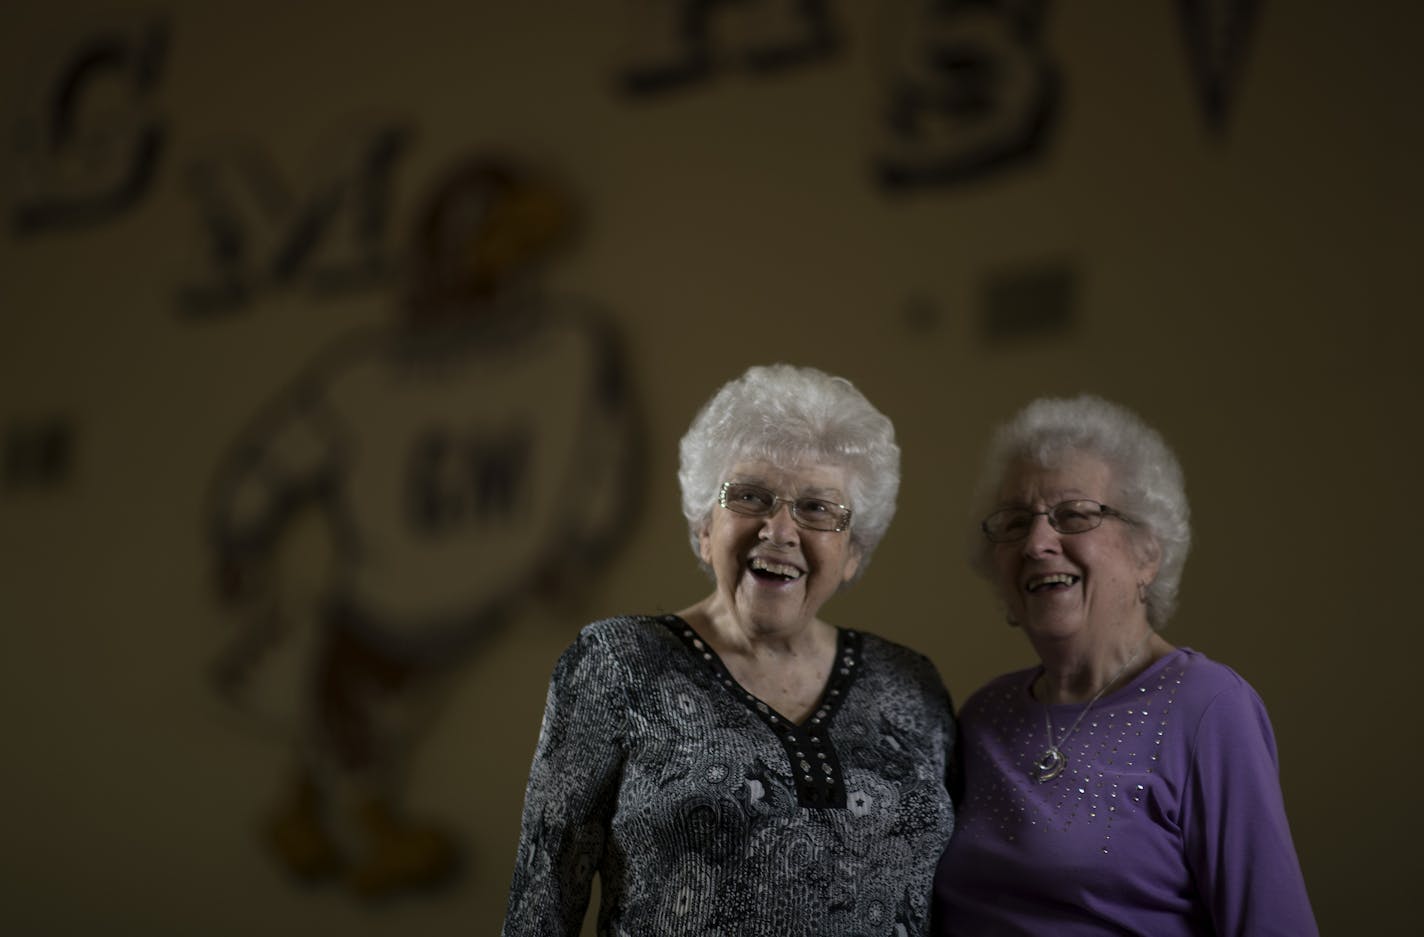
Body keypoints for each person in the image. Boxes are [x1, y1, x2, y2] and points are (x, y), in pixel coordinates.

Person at [503, 364, 956, 936]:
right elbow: (539, 911)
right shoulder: (618, 661)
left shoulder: (910, 682)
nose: (779, 530)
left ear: (853, 554)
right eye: (750, 497)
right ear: (704, 528)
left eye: (817, 509)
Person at [931, 395, 1317, 936]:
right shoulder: (983, 715)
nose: (1038, 542)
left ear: (1147, 554)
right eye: (1016, 523)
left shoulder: (1207, 708)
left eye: (1074, 515)